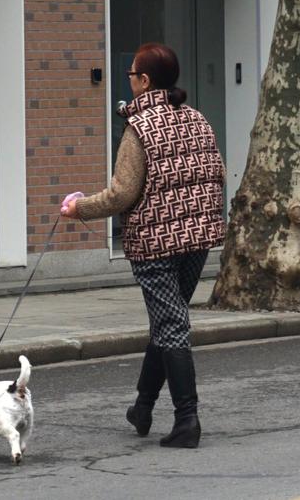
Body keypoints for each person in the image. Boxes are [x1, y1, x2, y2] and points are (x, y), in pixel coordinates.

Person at [61, 42, 225, 448]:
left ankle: (188, 420)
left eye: (132, 74)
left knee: (170, 325)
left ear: (145, 81)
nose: (129, 80)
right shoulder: (197, 119)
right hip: (197, 238)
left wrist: (78, 208)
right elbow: (217, 173)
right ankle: (143, 406)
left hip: (155, 243)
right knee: (167, 322)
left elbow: (121, 194)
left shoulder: (141, 128)